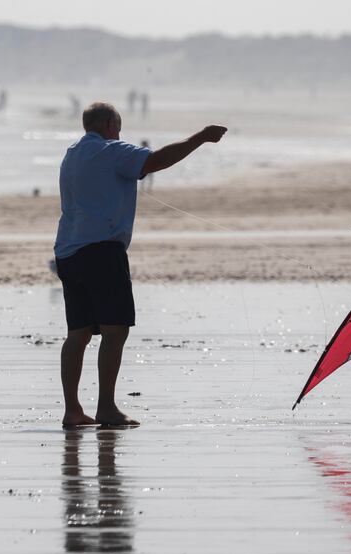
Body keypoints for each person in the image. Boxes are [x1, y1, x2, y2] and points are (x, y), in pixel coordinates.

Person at [54, 102, 227, 428]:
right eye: (118, 127)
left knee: (77, 334)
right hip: (101, 250)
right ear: (108, 124)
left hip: (67, 252)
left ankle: (73, 410)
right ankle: (106, 407)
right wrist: (200, 138)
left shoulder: (72, 154)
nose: (119, 134)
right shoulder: (109, 150)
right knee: (114, 329)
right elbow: (156, 160)